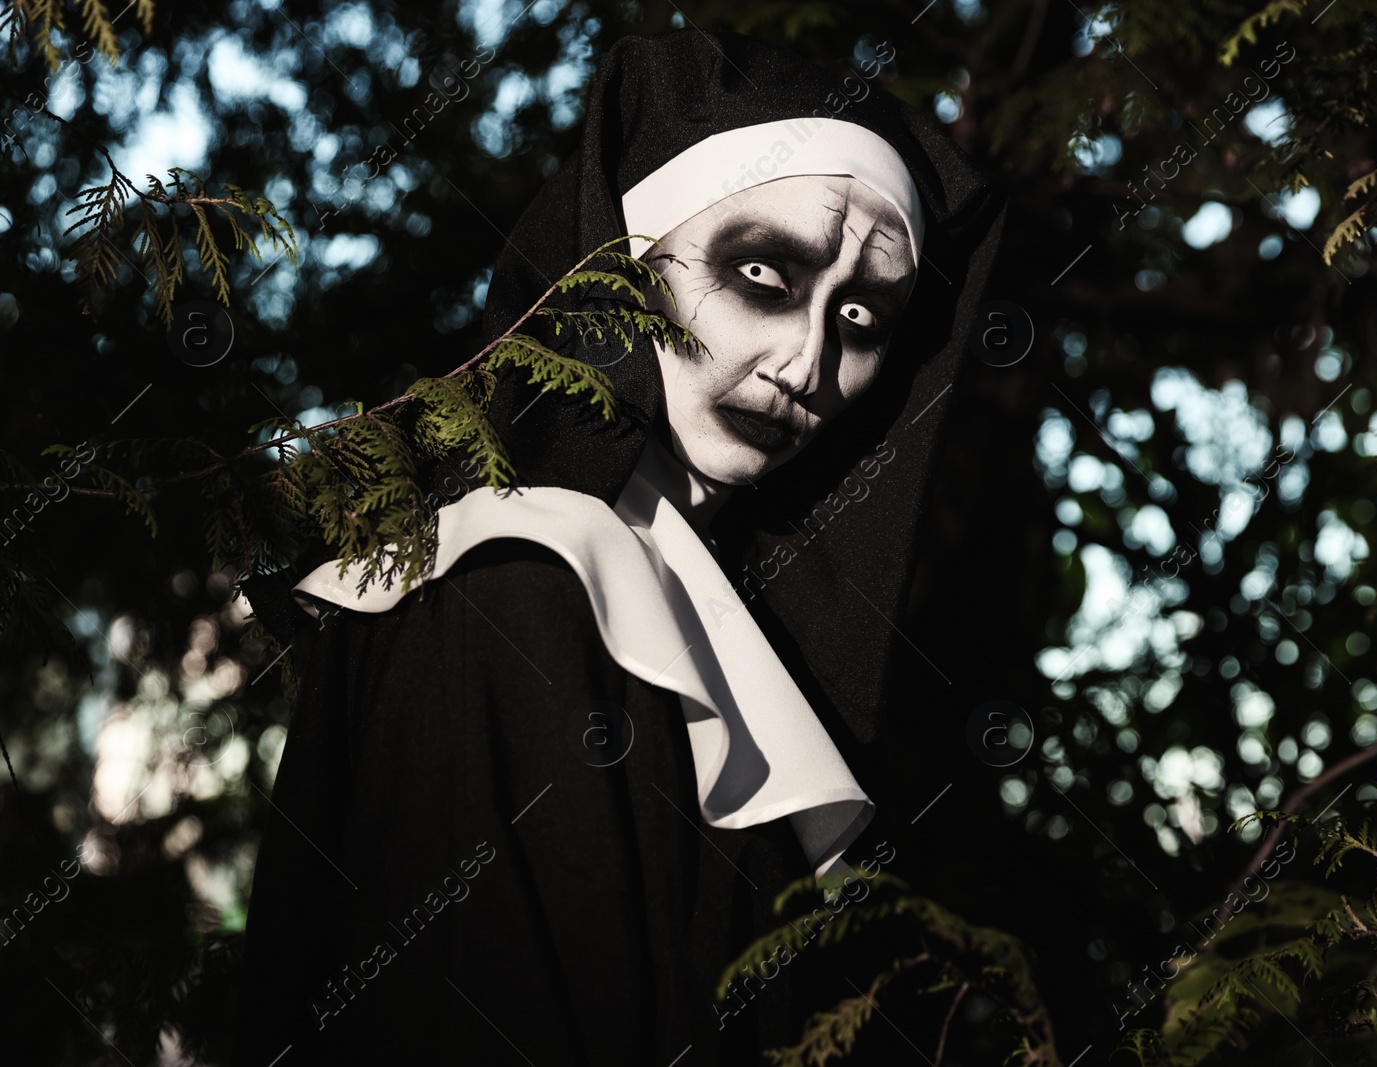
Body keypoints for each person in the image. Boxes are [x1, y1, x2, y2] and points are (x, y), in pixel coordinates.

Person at [233, 28, 1004, 1066]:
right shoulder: (518, 580)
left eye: (861, 315)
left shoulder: (672, 599)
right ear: (623, 260)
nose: (807, 360)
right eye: (765, 273)